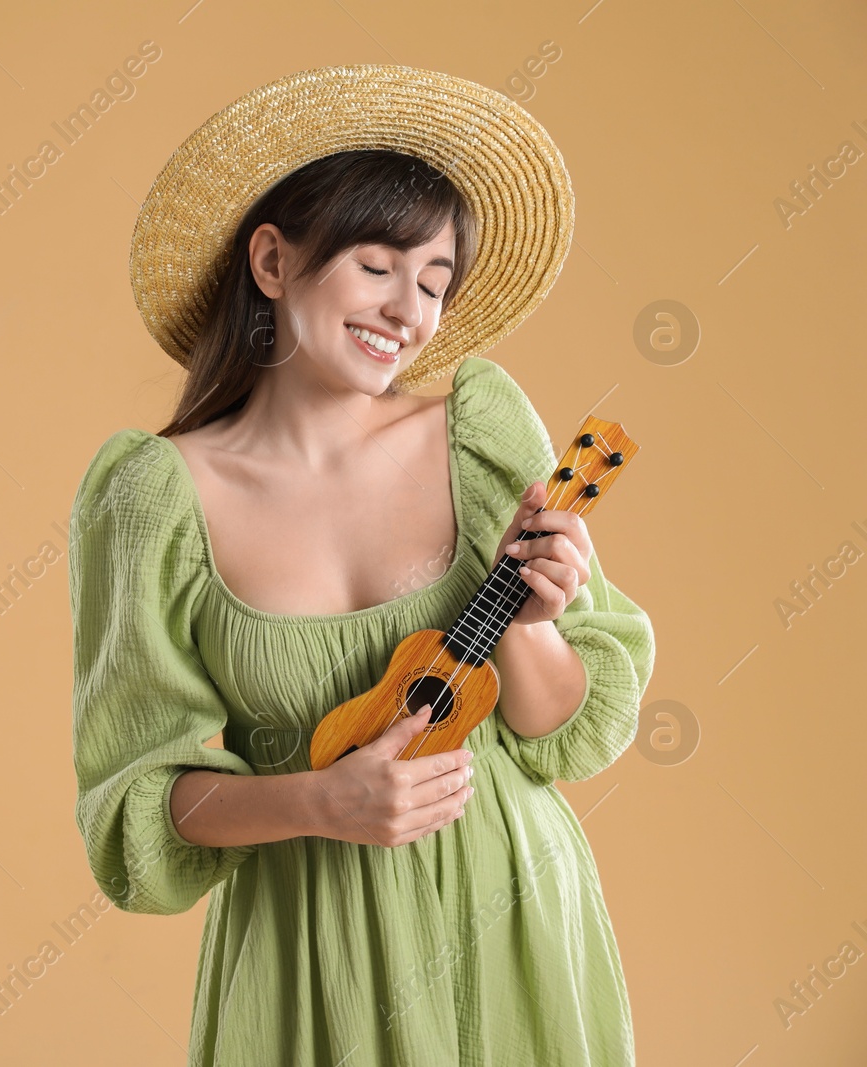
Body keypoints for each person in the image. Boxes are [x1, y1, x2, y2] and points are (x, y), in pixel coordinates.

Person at [69, 66, 656, 1066]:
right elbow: (133, 801)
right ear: (270, 259)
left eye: (435, 282)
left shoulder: (477, 427)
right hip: (310, 958)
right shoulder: (152, 496)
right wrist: (315, 800)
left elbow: (559, 733)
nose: (410, 311)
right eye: (379, 264)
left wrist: (535, 620)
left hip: (511, 917)